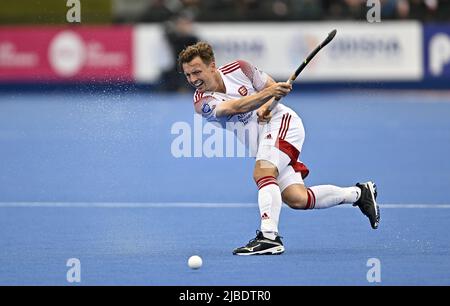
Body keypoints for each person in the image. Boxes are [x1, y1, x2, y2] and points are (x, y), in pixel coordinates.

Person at [178, 42, 380, 255]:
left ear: (212, 66)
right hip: (262, 143)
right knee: (297, 198)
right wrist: (265, 97)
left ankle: (269, 237)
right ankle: (359, 194)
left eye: (196, 72)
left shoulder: (240, 68)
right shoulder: (201, 102)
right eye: (188, 75)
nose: (193, 80)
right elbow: (235, 107)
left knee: (263, 171)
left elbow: (271, 87)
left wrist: (267, 104)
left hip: (282, 123)